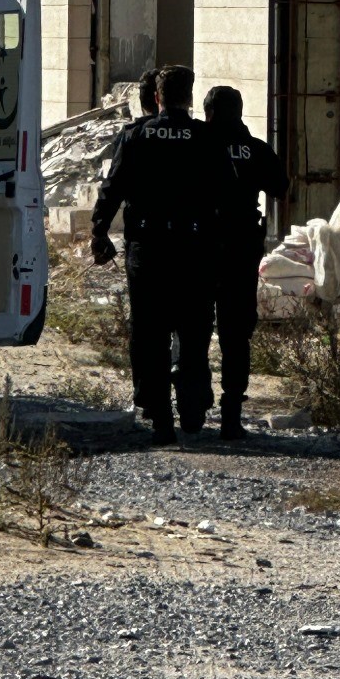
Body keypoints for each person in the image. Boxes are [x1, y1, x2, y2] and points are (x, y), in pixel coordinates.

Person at [91, 65, 235, 443]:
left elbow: (112, 188)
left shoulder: (137, 136)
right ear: (189, 97)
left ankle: (159, 418)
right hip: (195, 250)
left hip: (150, 249)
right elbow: (228, 195)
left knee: (150, 333)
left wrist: (99, 231)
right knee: (194, 330)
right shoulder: (207, 138)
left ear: (156, 98)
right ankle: (191, 407)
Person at [203, 85, 289, 442]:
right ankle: (230, 416)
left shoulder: (197, 145)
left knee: (194, 327)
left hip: (200, 246)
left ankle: (193, 408)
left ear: (208, 113)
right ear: (239, 112)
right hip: (240, 249)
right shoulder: (255, 149)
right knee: (236, 335)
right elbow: (281, 187)